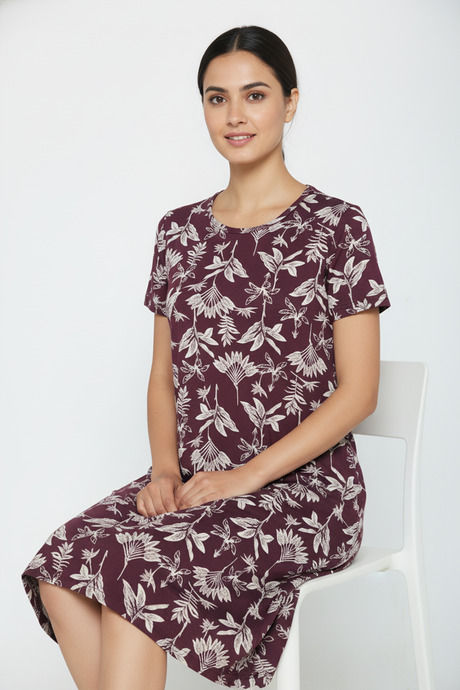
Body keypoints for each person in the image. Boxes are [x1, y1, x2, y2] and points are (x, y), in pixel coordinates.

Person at [21, 24, 391, 690]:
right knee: (62, 566)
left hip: (307, 495)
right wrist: (165, 470)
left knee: (136, 572)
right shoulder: (178, 232)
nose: (235, 115)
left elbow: (359, 392)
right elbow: (163, 378)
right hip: (197, 481)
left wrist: (247, 477)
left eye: (255, 95)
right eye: (217, 98)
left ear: (291, 102)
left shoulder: (338, 226)